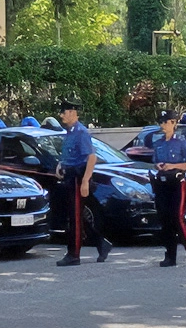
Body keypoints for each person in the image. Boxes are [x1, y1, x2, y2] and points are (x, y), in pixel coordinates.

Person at [55, 96, 111, 266]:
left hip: (78, 178)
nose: (61, 116)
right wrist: (60, 165)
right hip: (70, 177)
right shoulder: (70, 132)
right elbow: (70, 155)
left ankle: (74, 254)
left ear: (72, 112)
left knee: (75, 218)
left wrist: (86, 181)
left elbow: (91, 158)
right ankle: (102, 244)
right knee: (76, 216)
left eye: (64, 112)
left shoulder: (81, 132)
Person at [151, 109, 186, 267]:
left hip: (177, 183)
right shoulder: (159, 143)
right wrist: (158, 165)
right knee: (165, 220)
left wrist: (173, 166)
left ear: (174, 123)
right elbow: (155, 161)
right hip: (162, 184)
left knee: (177, 217)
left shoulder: (181, 142)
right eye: (161, 122)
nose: (162, 125)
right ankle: (170, 256)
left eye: (166, 122)